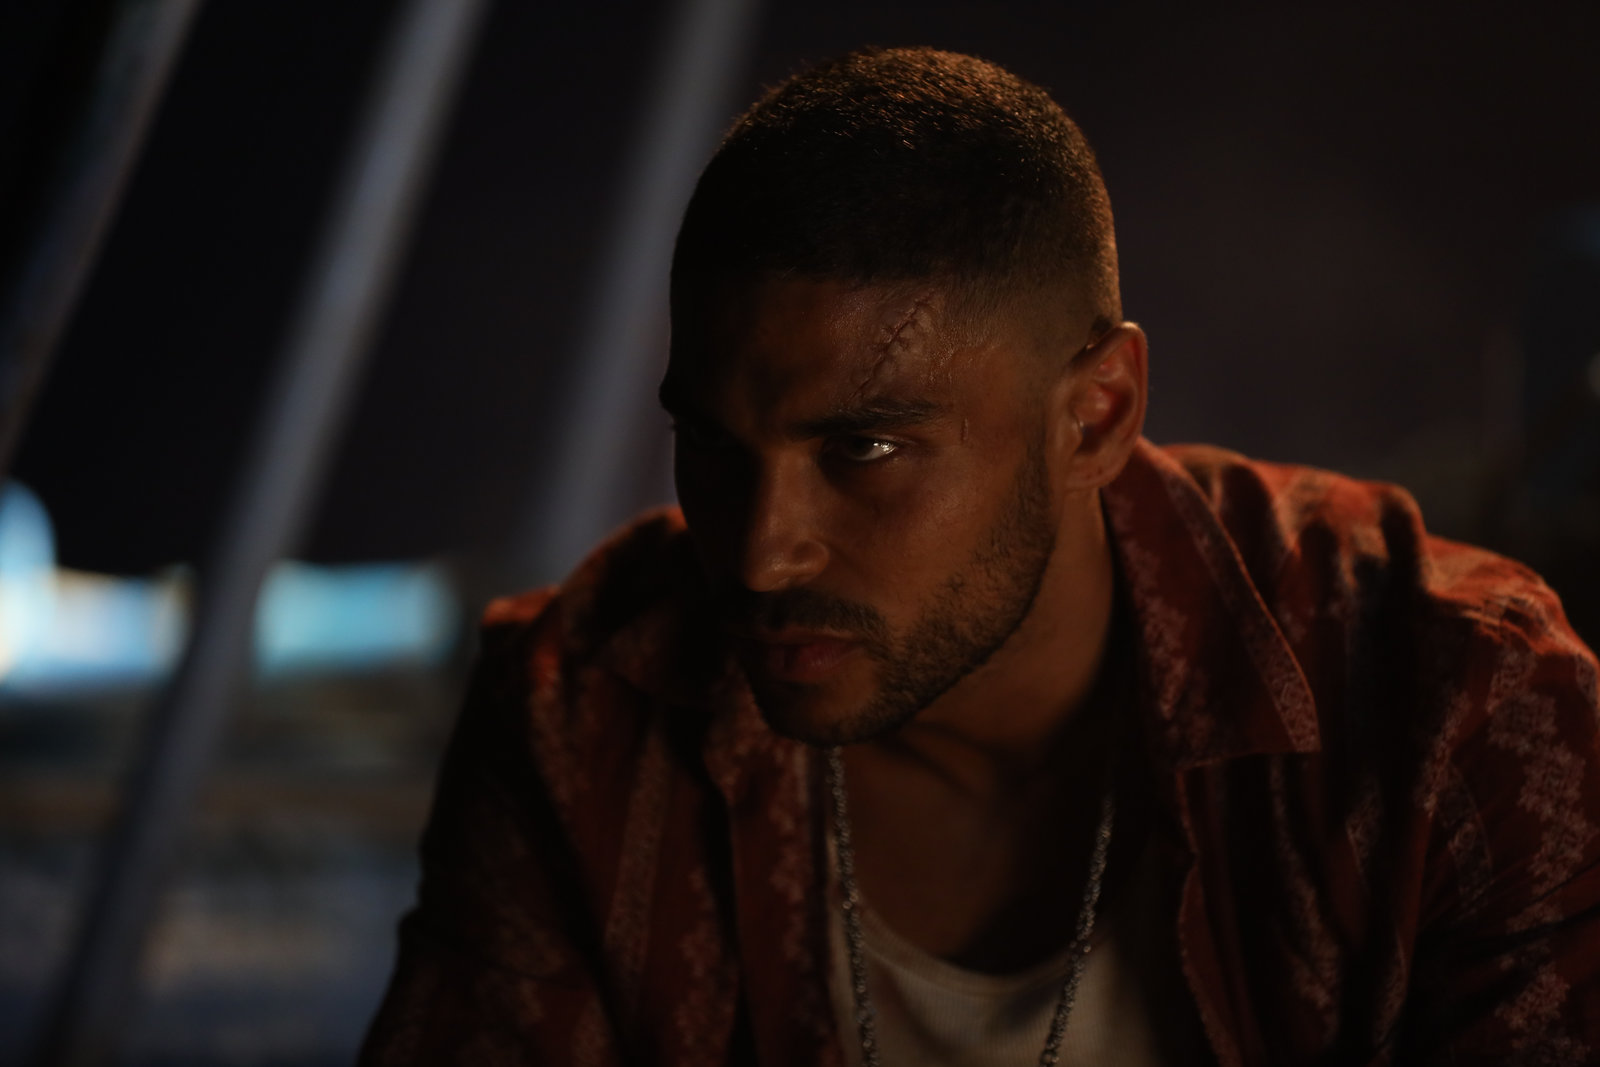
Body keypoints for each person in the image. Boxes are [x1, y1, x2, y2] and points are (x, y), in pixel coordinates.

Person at [360, 47, 1600, 1065]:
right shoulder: (580, 705)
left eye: (863, 447)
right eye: (715, 448)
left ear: (1096, 415)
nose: (761, 552)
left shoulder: (1455, 703)